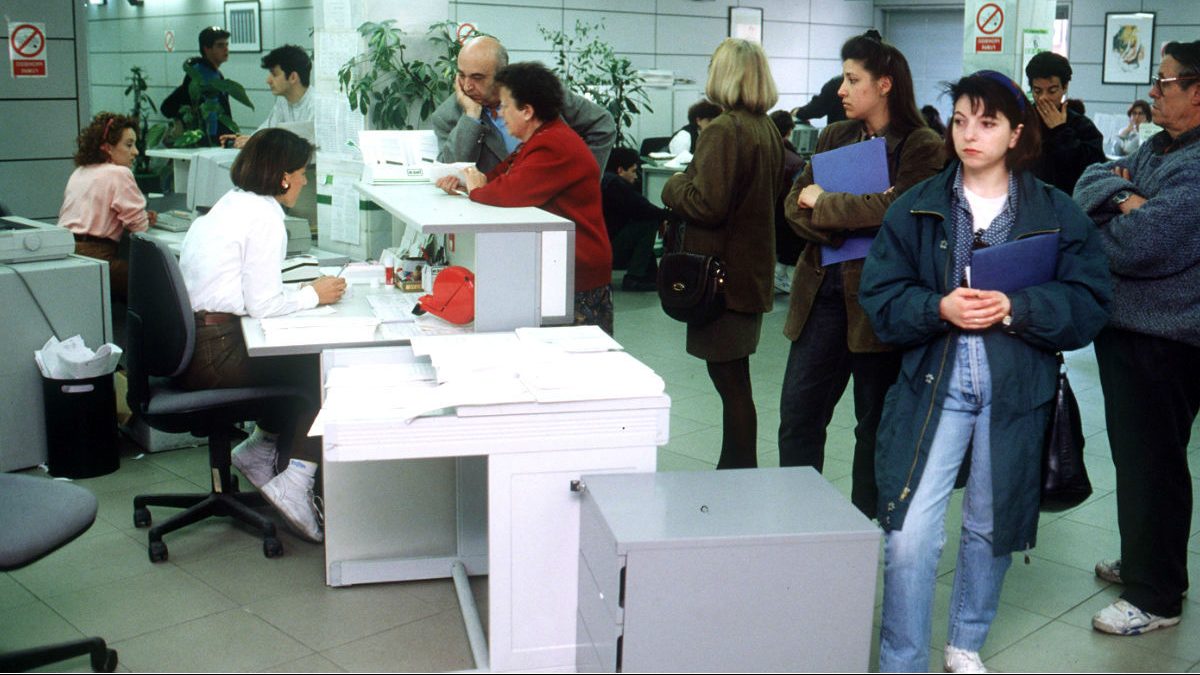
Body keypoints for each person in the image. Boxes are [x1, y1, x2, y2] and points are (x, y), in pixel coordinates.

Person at [860, 70, 1111, 673]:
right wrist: (936, 306)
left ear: (1017, 132)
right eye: (961, 120)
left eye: (988, 122)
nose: (970, 134)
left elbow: (1090, 302)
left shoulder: (1055, 211)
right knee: (909, 533)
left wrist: (1019, 306)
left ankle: (964, 641)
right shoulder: (917, 206)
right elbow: (882, 298)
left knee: (989, 524)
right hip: (932, 381)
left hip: (1015, 385)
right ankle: (902, 659)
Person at [778, 31, 944, 516]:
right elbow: (793, 203)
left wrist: (826, 206)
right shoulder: (835, 135)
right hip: (822, 294)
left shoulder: (922, 146)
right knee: (799, 416)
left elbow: (895, 211)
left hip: (878, 304)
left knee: (873, 424)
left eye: (853, 80)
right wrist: (836, 225)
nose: (842, 90)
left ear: (885, 84)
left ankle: (864, 520)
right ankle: (798, 514)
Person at [1073, 40, 1200, 637]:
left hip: (1167, 338)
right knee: (1135, 455)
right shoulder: (1157, 147)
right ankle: (1148, 558)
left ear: (1198, 90)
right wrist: (1125, 196)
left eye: (1165, 81)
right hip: (1126, 328)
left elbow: (1140, 244)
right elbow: (1089, 181)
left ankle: (1156, 595)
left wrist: (1117, 214)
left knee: (1155, 462)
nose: (1153, 91)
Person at [177, 128, 347, 543]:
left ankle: (259, 448)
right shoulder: (267, 218)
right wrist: (314, 294)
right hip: (216, 355)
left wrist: (299, 293)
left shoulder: (232, 204)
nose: (306, 180)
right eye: (303, 172)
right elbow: (265, 306)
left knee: (292, 361)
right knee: (323, 373)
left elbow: (248, 291)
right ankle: (296, 480)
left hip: (196, 345)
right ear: (284, 177)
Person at [660, 38, 783, 470]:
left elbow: (706, 204)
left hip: (720, 276)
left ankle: (737, 470)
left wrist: (672, 186)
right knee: (735, 380)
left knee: (731, 383)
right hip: (747, 272)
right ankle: (735, 467)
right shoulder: (763, 127)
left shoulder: (724, 130)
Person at [434, 62, 615, 334]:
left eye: (505, 106)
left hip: (578, 272)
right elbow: (494, 178)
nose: (500, 113)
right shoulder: (537, 142)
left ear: (527, 111)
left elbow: (505, 192)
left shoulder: (553, 145)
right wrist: (463, 183)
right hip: (563, 267)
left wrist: (476, 188)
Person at [432, 36, 616, 174]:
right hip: (493, 212)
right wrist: (471, 116)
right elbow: (449, 172)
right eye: (462, 75)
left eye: (477, 77)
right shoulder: (449, 115)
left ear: (502, 74)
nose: (467, 86)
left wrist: (582, 179)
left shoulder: (539, 90)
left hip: (553, 209)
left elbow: (603, 124)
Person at [58, 112, 158, 303]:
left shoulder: (80, 172)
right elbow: (139, 227)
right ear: (107, 148)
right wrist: (143, 218)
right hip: (98, 258)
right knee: (161, 278)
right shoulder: (119, 173)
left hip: (67, 253)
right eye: (129, 145)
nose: (136, 152)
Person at [1024, 51, 1106, 195]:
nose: (1044, 98)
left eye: (1052, 91)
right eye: (1037, 91)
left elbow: (1093, 170)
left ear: (1065, 87)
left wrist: (1060, 131)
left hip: (1068, 203)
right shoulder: (1022, 121)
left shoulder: (1081, 125)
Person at [221, 45, 314, 149]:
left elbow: (305, 147)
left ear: (293, 77)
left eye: (274, 74)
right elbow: (268, 130)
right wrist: (244, 139)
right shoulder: (283, 100)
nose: (268, 80)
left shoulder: (316, 105)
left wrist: (255, 142)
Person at [601, 147, 666, 292]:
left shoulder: (606, 181)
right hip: (609, 250)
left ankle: (645, 275)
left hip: (604, 246)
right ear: (620, 170)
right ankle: (634, 278)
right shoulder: (615, 185)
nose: (636, 176)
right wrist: (666, 217)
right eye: (633, 171)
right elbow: (643, 207)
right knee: (648, 223)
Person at [161, 26, 234, 143]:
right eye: (220, 45)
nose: (226, 49)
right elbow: (169, 107)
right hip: (205, 139)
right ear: (207, 49)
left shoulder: (215, 74)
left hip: (216, 137)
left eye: (227, 45)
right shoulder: (199, 74)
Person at [769, 109, 805, 294]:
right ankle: (780, 274)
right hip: (785, 217)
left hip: (766, 214)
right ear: (790, 131)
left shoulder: (763, 150)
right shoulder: (796, 162)